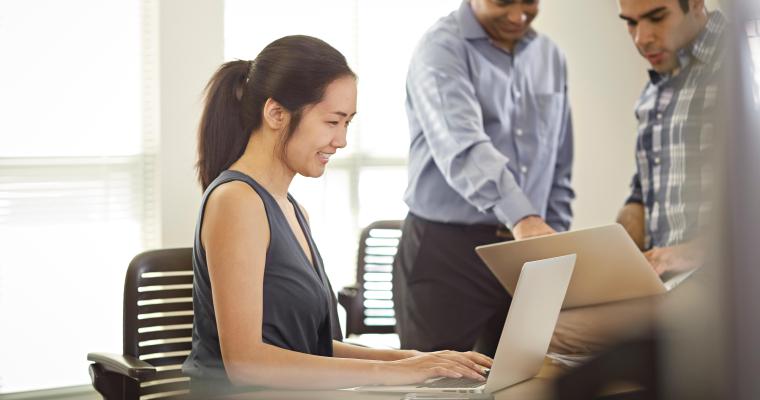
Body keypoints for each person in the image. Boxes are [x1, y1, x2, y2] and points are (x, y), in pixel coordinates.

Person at [181, 35, 492, 394]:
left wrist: (415, 359)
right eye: (333, 121)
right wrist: (390, 371)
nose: (342, 140)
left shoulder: (293, 211)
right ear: (276, 114)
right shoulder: (236, 201)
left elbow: (311, 349)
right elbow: (246, 363)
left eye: (348, 123)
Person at [393, 0, 575, 357]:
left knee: (522, 382)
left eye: (529, 2)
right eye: (503, 2)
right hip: (449, 255)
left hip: (529, 250)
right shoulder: (440, 50)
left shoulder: (550, 56)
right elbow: (463, 146)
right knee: (439, 388)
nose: (517, 14)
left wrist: (554, 234)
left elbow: (559, 161)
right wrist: (524, 217)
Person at [551, 0, 726, 355]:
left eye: (656, 18)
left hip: (722, 283)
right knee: (539, 320)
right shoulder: (657, 88)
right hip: (667, 283)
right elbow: (643, 192)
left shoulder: (742, 63)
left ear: (695, 4)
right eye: (630, 23)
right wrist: (607, 258)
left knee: (558, 333)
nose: (641, 38)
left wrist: (688, 253)